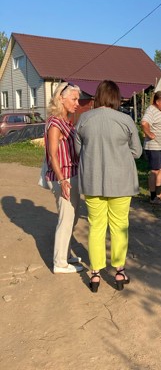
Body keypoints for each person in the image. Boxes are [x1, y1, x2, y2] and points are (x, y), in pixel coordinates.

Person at [75, 80, 142, 292]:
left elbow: (78, 151)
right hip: (121, 181)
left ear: (97, 96)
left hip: (92, 181)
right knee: (119, 225)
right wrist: (120, 155)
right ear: (116, 98)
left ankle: (95, 273)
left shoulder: (84, 119)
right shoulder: (125, 120)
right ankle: (119, 271)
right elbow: (137, 151)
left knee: (96, 226)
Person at [45, 82, 83, 274]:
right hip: (64, 177)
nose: (77, 103)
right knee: (66, 220)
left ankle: (65, 255)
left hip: (71, 174)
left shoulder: (65, 122)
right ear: (61, 98)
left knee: (72, 218)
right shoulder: (55, 123)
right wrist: (62, 181)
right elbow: (52, 155)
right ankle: (60, 263)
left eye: (78, 99)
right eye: (74, 99)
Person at [141, 91, 161, 204]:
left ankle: (158, 192)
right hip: (154, 147)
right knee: (155, 171)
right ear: (157, 101)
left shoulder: (157, 111)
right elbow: (144, 123)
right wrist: (149, 133)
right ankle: (153, 197)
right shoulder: (151, 111)